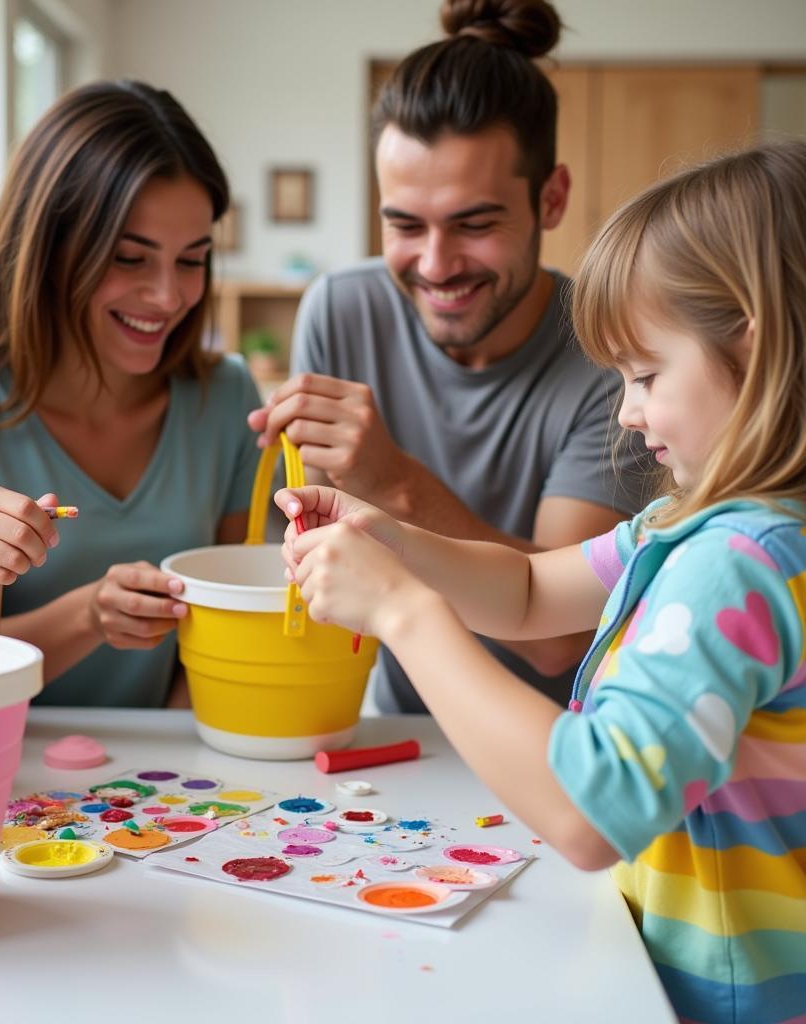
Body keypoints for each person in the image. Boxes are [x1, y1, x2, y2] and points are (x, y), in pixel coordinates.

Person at [276, 142, 806, 1022]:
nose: (630, 413)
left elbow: (590, 816)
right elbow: (527, 592)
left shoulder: (737, 565)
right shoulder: (697, 528)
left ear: (753, 345)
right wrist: (393, 542)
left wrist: (403, 614)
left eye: (645, 375)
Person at [249, 0, 648, 711]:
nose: (435, 265)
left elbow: (556, 636)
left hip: (562, 736)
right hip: (395, 726)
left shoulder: (611, 352)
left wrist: (395, 483)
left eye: (475, 224)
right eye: (404, 224)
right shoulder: (341, 310)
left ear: (551, 199)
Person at [0, 81, 261, 708]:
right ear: (48, 248)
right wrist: (87, 616)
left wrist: (175, 764)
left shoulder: (225, 396)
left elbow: (234, 629)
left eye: (192, 260)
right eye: (130, 258)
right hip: (6, 769)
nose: (168, 296)